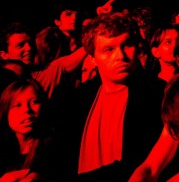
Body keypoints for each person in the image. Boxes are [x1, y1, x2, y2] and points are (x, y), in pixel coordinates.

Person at [55, 12, 166, 181]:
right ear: (92, 58)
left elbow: (141, 160)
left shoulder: (158, 94)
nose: (120, 56)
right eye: (109, 49)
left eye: (127, 45)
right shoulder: (77, 99)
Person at [0, 77, 59, 182]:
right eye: (18, 105)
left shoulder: (55, 147)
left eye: (34, 102)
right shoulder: (1, 147)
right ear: (5, 113)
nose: (27, 109)